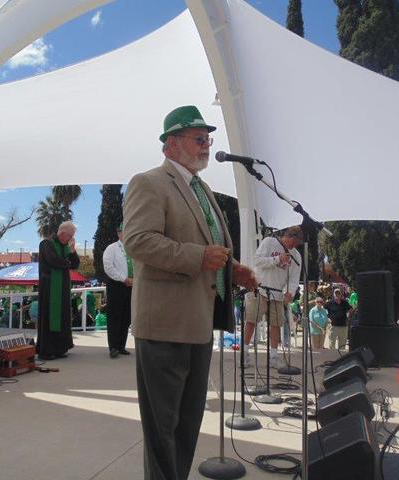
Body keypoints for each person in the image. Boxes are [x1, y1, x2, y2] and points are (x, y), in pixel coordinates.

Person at [123, 105, 257, 480]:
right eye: (198, 138)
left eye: (207, 139)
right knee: (162, 427)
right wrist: (200, 257)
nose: (205, 145)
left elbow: (210, 247)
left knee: (187, 424)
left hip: (199, 323)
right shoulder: (148, 182)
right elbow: (138, 241)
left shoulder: (202, 190)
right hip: (164, 324)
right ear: (171, 144)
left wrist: (233, 270)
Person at [242, 226, 303, 368]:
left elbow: (294, 278)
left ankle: (274, 357)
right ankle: (244, 353)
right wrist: (277, 259)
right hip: (258, 288)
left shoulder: (296, 256)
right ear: (287, 236)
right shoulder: (269, 242)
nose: (294, 246)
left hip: (276, 292)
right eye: (293, 242)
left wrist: (291, 292)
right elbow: (257, 261)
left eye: (297, 244)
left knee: (276, 324)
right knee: (251, 321)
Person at [36, 221, 80, 360]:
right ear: (62, 233)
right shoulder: (46, 243)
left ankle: (60, 348)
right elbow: (52, 260)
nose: (71, 239)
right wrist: (68, 263)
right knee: (49, 317)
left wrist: (72, 251)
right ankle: (46, 351)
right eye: (70, 236)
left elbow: (76, 264)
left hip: (63, 287)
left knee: (63, 317)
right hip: (49, 286)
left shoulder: (66, 246)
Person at [102, 223, 133, 358]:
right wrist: (123, 278)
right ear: (119, 233)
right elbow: (108, 267)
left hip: (131, 285)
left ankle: (121, 345)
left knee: (126, 316)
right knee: (115, 316)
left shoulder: (132, 249)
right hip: (116, 285)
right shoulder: (111, 248)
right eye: (123, 231)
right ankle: (113, 347)